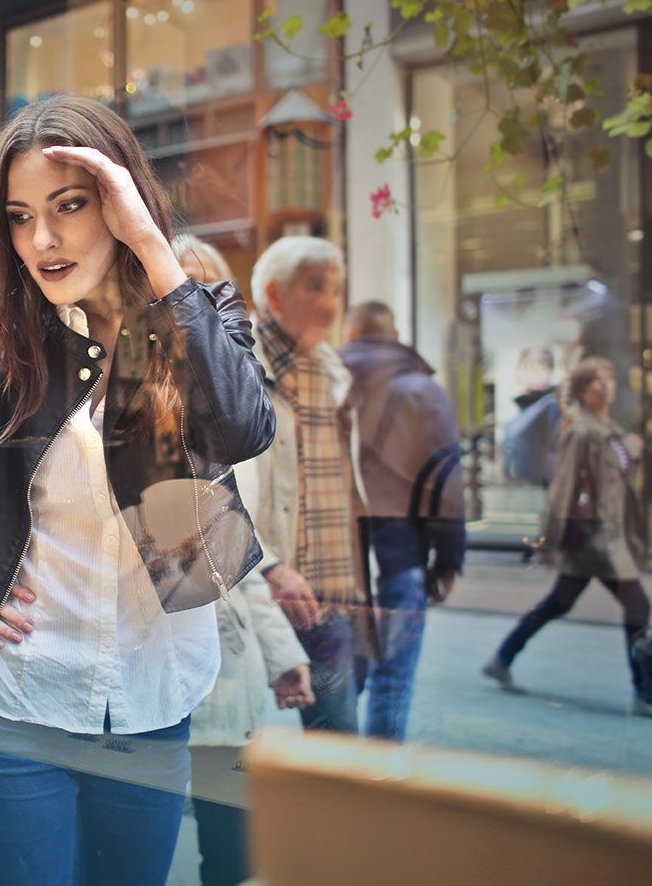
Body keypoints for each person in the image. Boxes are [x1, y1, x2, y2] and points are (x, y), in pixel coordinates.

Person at [0, 95, 275, 886]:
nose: (41, 241)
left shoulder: (201, 315)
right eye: (18, 217)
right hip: (21, 702)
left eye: (70, 206)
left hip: (154, 701)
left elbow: (239, 433)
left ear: (118, 203)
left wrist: (152, 247)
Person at [172, 233, 314, 886]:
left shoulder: (238, 421)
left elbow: (243, 560)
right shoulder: (130, 410)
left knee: (229, 853)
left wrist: (283, 658)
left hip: (227, 684)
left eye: (210, 291)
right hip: (157, 682)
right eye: (180, 290)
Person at [237, 236, 366, 735]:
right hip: (262, 584)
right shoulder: (237, 365)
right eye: (316, 288)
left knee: (336, 741)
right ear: (274, 292)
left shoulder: (333, 372)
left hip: (330, 593)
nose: (332, 304)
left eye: (336, 289)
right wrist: (267, 565)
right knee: (226, 749)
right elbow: (213, 487)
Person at [482, 357, 652, 716]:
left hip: (607, 535)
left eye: (608, 378)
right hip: (596, 537)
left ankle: (502, 657)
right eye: (596, 381)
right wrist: (549, 538)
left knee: (559, 601)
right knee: (638, 606)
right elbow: (563, 487)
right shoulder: (581, 430)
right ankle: (643, 690)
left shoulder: (610, 429)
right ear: (582, 390)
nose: (605, 386)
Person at [340, 300, 466, 741]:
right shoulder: (422, 390)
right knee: (392, 680)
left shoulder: (326, 380)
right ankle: (375, 793)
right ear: (394, 336)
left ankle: (327, 786)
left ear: (350, 333)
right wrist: (448, 559)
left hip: (335, 557)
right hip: (400, 552)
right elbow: (444, 482)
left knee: (339, 683)